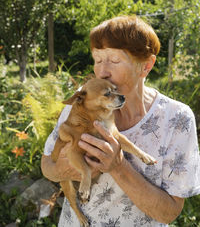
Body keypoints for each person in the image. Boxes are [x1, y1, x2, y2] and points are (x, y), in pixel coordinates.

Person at [41, 15, 200, 227]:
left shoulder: (177, 119)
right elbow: (47, 166)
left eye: (114, 61)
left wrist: (119, 167)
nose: (102, 72)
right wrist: (67, 167)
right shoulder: (83, 101)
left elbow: (169, 213)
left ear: (146, 66)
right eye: (97, 60)